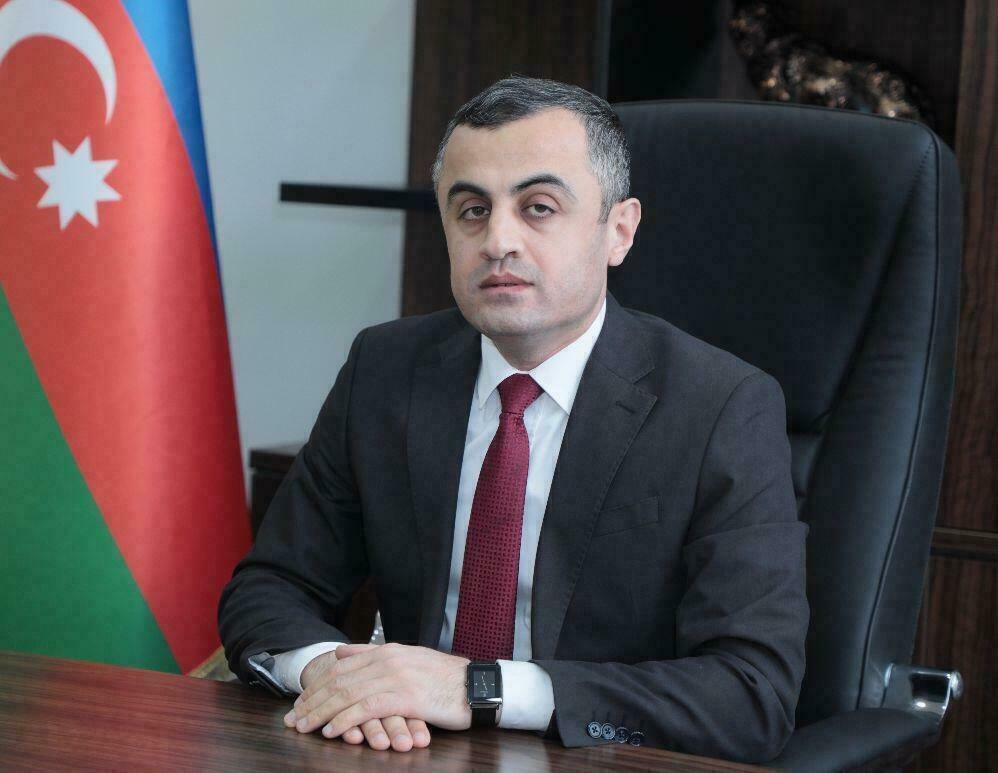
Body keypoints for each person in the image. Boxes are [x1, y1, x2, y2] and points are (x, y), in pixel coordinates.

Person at [218, 75, 808, 764]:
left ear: (619, 230)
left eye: (538, 207)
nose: (498, 240)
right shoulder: (386, 370)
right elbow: (268, 588)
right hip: (408, 749)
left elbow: (750, 694)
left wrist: (481, 689)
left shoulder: (721, 407)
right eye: (472, 210)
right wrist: (333, 674)